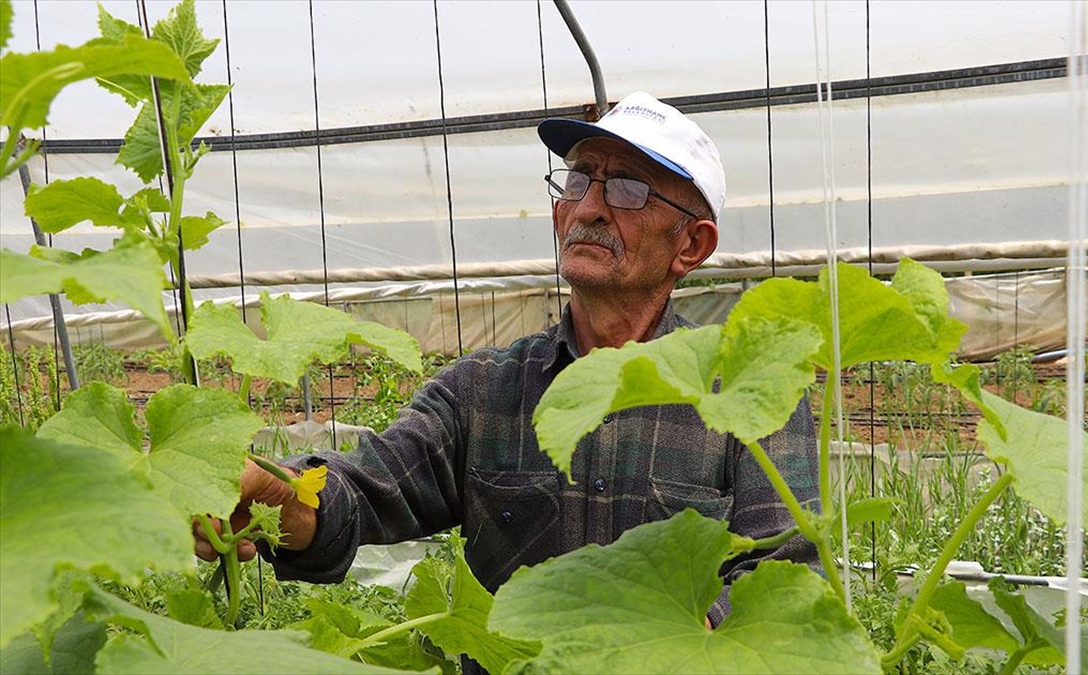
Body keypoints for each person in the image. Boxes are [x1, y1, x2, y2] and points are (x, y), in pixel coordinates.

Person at [196, 91, 820, 631]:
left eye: (629, 189)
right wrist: (286, 500)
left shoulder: (748, 394)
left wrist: (663, 635)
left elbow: (783, 581)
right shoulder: (483, 392)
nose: (589, 208)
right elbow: (365, 491)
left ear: (692, 244)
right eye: (579, 180)